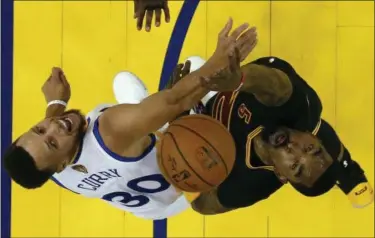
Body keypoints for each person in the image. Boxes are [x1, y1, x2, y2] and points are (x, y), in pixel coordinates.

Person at [2, 18, 257, 220]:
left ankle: (149, 117)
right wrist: (221, 60)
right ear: (59, 164)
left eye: (38, 128)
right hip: (192, 166)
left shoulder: (54, 173)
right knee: (195, 64)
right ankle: (171, 120)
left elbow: (52, 141)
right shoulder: (111, 129)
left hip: (159, 209)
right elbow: (178, 99)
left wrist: (56, 105)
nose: (53, 126)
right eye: (52, 142)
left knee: (122, 83)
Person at [172, 55, 374, 215]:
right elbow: (274, 85)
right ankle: (349, 171)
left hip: (204, 122)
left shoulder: (251, 186)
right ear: (313, 137)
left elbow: (204, 205)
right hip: (233, 87)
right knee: (193, 63)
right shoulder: (299, 108)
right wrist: (238, 78)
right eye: (311, 148)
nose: (293, 149)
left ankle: (343, 171)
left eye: (295, 166)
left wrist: (178, 126)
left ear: (280, 174)